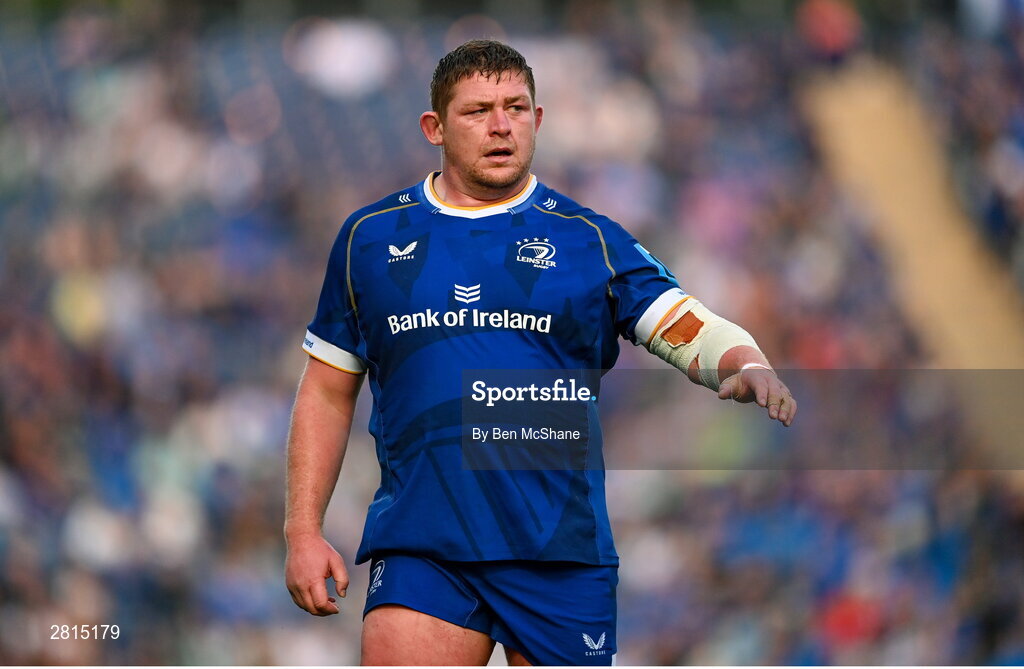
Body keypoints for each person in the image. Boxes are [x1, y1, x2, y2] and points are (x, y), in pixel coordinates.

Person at [284, 39, 797, 666]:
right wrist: (303, 531)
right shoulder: (370, 238)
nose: (501, 126)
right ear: (434, 128)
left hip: (558, 551)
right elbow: (327, 390)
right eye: (477, 112)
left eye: (516, 108)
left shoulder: (588, 240)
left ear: (539, 119)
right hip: (425, 544)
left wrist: (744, 360)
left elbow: (685, 324)